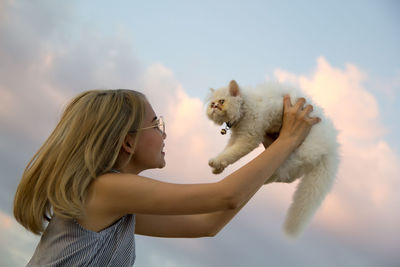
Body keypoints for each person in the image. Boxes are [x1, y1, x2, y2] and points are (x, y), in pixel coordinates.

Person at [13, 89, 320, 266]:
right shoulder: (106, 189)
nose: (164, 132)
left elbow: (208, 223)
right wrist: (287, 141)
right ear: (128, 142)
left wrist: (268, 161)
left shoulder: (116, 207)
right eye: (156, 124)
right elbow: (225, 195)